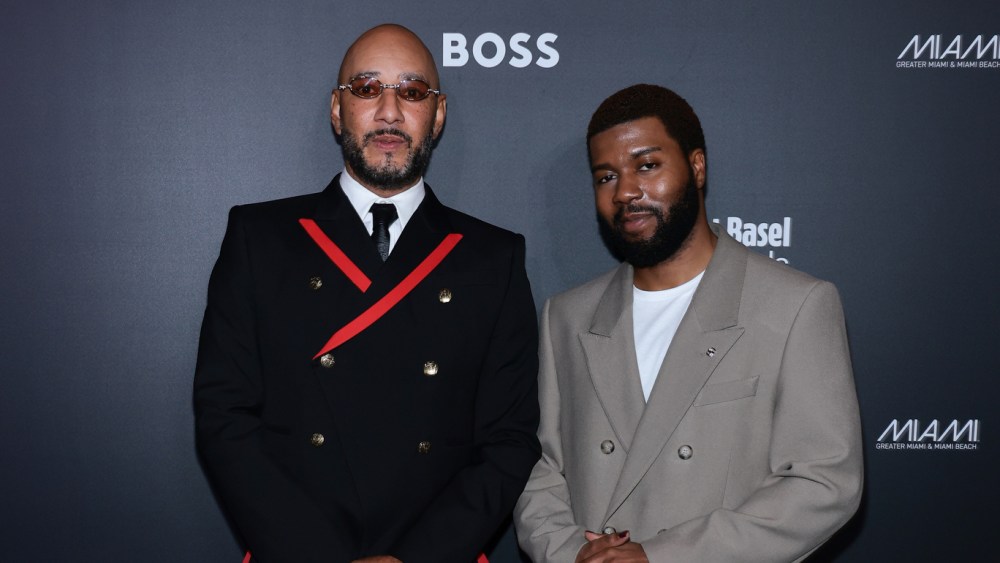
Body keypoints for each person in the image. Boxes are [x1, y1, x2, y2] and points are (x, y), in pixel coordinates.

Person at [194, 24, 540, 563]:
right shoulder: (260, 238)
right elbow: (225, 417)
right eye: (366, 88)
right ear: (337, 110)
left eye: (413, 91)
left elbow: (509, 440)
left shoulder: (492, 257)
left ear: (438, 114)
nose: (389, 111)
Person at [513, 84, 862, 562]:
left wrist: (660, 556)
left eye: (647, 165)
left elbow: (823, 482)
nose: (626, 192)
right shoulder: (567, 317)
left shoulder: (795, 305)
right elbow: (541, 469)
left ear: (696, 167)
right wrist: (574, 554)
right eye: (606, 176)